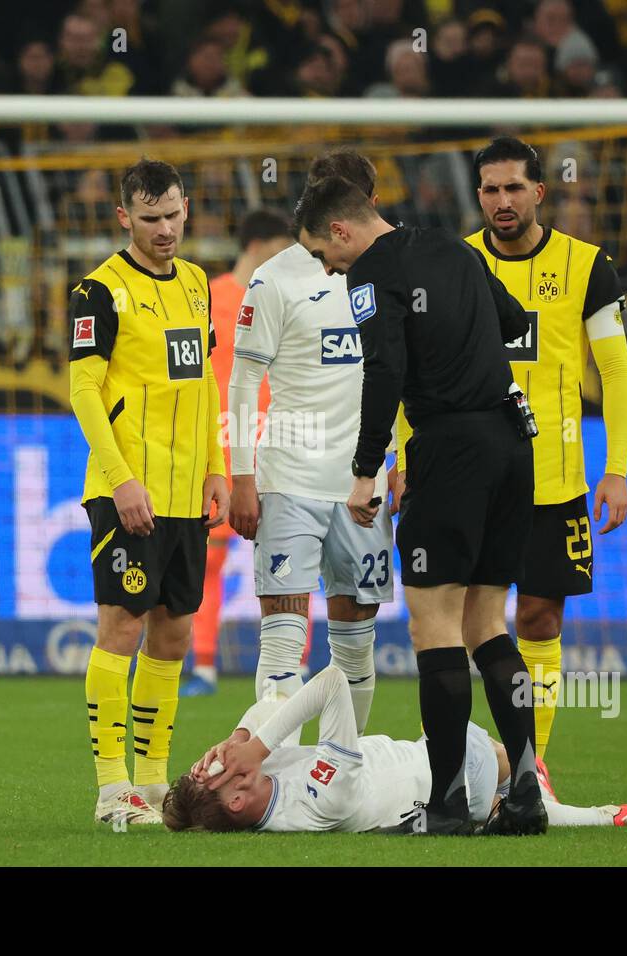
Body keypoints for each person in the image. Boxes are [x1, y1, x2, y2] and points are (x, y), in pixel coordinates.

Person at [288, 175, 545, 836]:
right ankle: (524, 794)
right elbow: (516, 321)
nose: (327, 265)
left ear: (342, 230)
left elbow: (386, 369)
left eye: (323, 252)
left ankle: (448, 805)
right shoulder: (456, 250)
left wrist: (365, 469)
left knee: (435, 627)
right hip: (513, 444)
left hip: (451, 451)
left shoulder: (370, 275)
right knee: (487, 624)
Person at [461, 137, 627, 776]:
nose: (502, 201)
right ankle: (469, 764)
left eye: (514, 188)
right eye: (490, 189)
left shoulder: (588, 267)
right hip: (472, 475)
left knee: (538, 617)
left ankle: (531, 766)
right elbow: (420, 365)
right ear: (478, 195)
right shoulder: (459, 264)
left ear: (539, 191)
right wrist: (401, 459)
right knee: (464, 621)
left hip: (554, 477)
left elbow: (616, 372)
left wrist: (615, 469)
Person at [69, 159, 229, 825]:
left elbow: (205, 385)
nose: (164, 230)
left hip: (187, 495)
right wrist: (121, 480)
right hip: (126, 492)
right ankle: (112, 791)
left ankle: (154, 784)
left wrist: (217, 465)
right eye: (150, 218)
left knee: (172, 635)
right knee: (121, 628)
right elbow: (82, 390)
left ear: (186, 209)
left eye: (173, 216)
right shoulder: (99, 291)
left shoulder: (196, 284)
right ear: (124, 218)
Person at [226, 149, 403, 734]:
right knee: (283, 643)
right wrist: (243, 476)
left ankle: (342, 773)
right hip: (289, 482)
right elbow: (245, 378)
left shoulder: (401, 271)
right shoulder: (274, 278)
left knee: (355, 644)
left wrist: (402, 456)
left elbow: (409, 376)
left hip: (366, 484)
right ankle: (275, 776)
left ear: (365, 207)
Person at [163, 665, 627, 833]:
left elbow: (272, 701)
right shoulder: (319, 801)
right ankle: (549, 796)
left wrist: (239, 740)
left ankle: (588, 811)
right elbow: (333, 682)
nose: (222, 764)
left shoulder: (260, 784)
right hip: (455, 778)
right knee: (459, 725)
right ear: (235, 799)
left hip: (432, 770)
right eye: (219, 771)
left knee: (448, 735)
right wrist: (260, 743)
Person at [182, 210, 293, 697]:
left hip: (277, 442)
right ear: (261, 245)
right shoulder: (209, 295)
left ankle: (293, 668)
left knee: (289, 557)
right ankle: (202, 665)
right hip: (222, 442)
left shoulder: (286, 298)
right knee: (208, 560)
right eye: (282, 246)